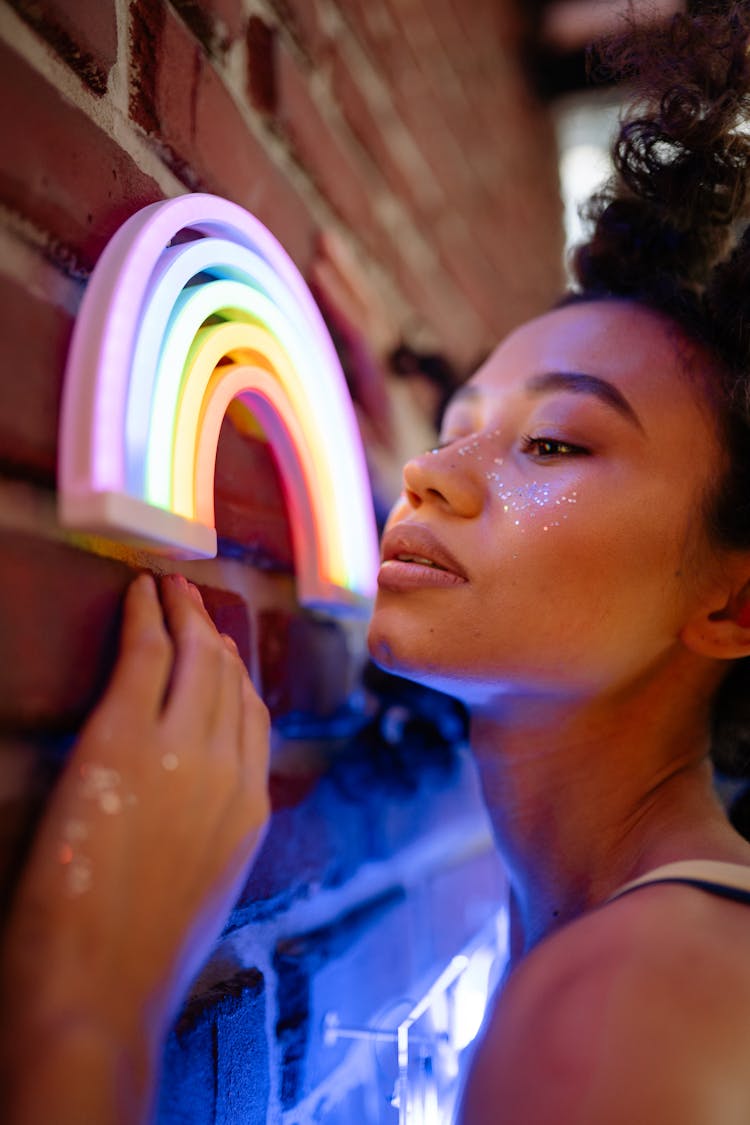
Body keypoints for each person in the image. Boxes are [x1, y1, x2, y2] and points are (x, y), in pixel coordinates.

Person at [5, 3, 750, 1122]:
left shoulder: (627, 1011)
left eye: (554, 442)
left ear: (734, 601)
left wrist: (88, 1002)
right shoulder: (614, 894)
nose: (429, 478)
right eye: (456, 424)